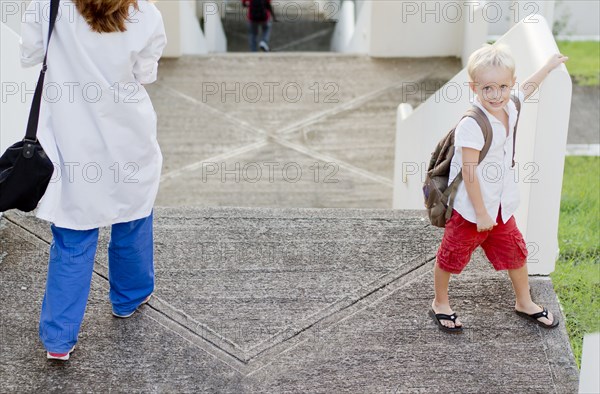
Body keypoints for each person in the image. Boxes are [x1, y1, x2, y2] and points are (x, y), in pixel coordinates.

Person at [20, 0, 167, 360]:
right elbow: (145, 74)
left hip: (72, 139)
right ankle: (128, 298)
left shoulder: (46, 6)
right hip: (127, 135)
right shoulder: (145, 13)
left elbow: (31, 54)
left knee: (73, 234)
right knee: (133, 214)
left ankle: (58, 340)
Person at [430, 44, 568, 333]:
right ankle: (440, 303)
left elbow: (527, 88)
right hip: (472, 210)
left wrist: (549, 65)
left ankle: (524, 301)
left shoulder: (511, 105)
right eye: (488, 88)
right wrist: (481, 214)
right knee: (451, 256)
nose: (496, 95)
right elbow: (469, 172)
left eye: (503, 87)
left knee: (516, 253)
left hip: (501, 207)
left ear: (511, 84)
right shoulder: (472, 123)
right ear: (474, 88)